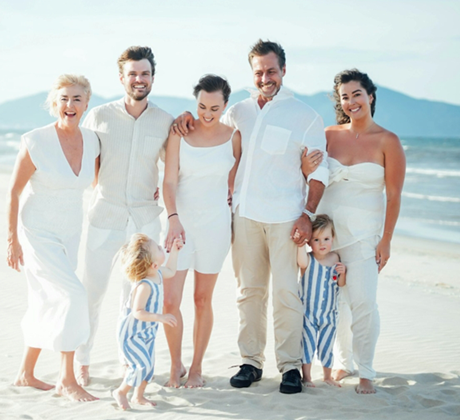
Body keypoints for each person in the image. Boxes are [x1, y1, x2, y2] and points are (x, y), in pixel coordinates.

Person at [173, 39, 329, 394]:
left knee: (287, 293)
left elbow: (321, 171)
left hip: (287, 217)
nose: (265, 78)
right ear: (252, 73)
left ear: (283, 70)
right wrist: (185, 117)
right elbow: (210, 130)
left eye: (271, 71)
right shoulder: (238, 111)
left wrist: (307, 214)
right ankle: (251, 362)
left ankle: (289, 366)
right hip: (244, 215)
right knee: (249, 292)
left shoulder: (306, 116)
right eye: (259, 72)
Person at [75, 46, 174, 386]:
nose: (139, 79)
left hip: (145, 221)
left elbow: (173, 169)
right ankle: (82, 360)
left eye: (145, 73)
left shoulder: (165, 121)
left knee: (134, 295)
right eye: (133, 74)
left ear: (152, 78)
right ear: (122, 78)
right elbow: (88, 160)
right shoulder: (99, 116)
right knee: (92, 292)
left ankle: (128, 362)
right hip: (105, 215)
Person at [303, 68, 406, 394]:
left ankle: (366, 372)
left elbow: (394, 196)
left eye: (356, 94)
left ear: (370, 96)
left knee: (363, 303)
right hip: (325, 237)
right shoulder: (328, 134)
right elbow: (306, 173)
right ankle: (342, 362)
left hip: (363, 237)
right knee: (333, 305)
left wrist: (386, 240)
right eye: (345, 97)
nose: (351, 102)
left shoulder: (388, 141)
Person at [6, 74, 100, 402]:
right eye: (64, 99)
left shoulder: (93, 141)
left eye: (77, 99)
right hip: (37, 233)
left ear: (86, 104)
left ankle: (25, 373)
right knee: (73, 297)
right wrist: (12, 240)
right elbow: (14, 192)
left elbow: (98, 183)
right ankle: (67, 379)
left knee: (46, 300)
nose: (70, 105)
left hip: (70, 233)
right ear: (54, 103)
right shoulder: (36, 141)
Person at [161, 74, 241, 388]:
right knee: (170, 300)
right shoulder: (180, 132)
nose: (207, 114)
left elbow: (235, 181)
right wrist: (173, 217)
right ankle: (175, 366)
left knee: (202, 299)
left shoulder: (234, 137)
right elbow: (169, 181)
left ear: (226, 105)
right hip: (179, 225)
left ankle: (196, 368)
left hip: (215, 227)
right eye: (202, 107)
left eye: (215, 108)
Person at [113, 233, 182, 410]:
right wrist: (160, 317)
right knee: (140, 365)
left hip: (147, 332)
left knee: (149, 365)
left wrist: (175, 251)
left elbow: (171, 271)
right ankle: (121, 392)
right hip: (132, 334)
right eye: (158, 248)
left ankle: (138, 396)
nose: (161, 247)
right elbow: (137, 312)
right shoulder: (144, 285)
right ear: (153, 264)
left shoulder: (158, 273)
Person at [297, 215, 346, 388]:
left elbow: (340, 284)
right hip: (309, 313)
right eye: (316, 240)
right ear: (310, 242)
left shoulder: (335, 258)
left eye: (326, 239)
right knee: (308, 345)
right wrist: (300, 243)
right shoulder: (308, 259)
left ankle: (327, 376)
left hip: (329, 314)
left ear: (333, 238)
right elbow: (300, 261)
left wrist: (343, 273)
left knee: (327, 346)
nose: (322, 243)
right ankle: (307, 377)